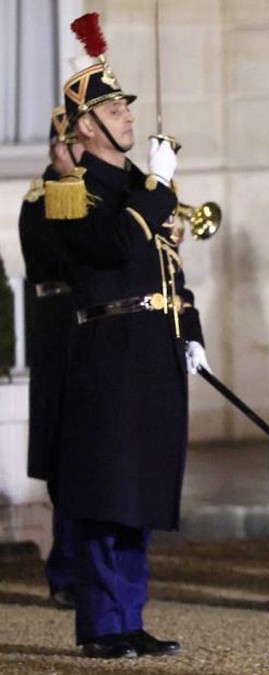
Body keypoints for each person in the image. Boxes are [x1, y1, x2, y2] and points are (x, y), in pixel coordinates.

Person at [45, 13, 205, 659]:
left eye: (126, 105)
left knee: (142, 490)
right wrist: (158, 187)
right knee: (108, 490)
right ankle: (102, 624)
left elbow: (170, 266)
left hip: (154, 348)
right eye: (114, 109)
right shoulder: (71, 189)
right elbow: (111, 247)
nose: (128, 115)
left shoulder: (142, 188)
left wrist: (190, 329)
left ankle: (128, 616)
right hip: (109, 353)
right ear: (86, 125)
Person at [18, 105, 83, 611]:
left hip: (91, 327)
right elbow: (67, 258)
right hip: (61, 327)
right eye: (76, 146)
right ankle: (67, 571)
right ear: (58, 147)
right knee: (67, 453)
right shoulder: (41, 199)